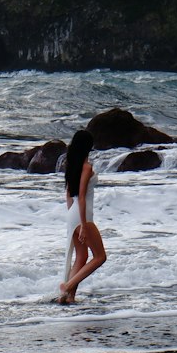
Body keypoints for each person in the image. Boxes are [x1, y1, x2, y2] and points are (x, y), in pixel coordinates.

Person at [58, 127, 106, 304]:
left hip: (74, 213)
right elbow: (82, 196)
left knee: (81, 256)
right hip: (81, 214)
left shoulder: (73, 165)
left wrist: (73, 216)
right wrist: (84, 225)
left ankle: (68, 298)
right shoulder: (86, 167)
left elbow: (69, 194)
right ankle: (68, 286)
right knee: (100, 257)